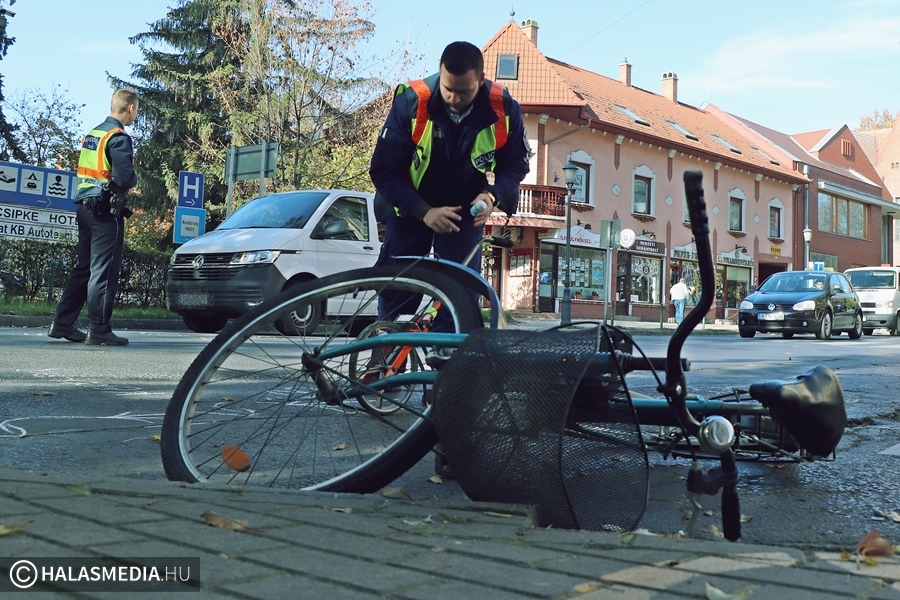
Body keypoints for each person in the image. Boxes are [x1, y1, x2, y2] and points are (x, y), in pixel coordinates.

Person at [369, 40, 531, 325]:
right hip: (409, 206)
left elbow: (515, 165)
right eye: (448, 89)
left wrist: (492, 196)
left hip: (463, 210)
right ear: (439, 74)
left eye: (464, 91)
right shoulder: (411, 101)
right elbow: (383, 171)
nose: (454, 99)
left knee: (460, 296)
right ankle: (385, 358)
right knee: (398, 290)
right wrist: (424, 211)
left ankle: (446, 360)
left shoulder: (503, 109)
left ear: (480, 81)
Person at [48, 88, 139, 346]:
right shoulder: (119, 137)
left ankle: (63, 323)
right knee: (103, 271)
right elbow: (124, 177)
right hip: (104, 211)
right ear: (130, 108)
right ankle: (99, 328)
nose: (136, 115)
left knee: (84, 267)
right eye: (136, 110)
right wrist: (134, 177)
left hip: (84, 206)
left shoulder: (93, 134)